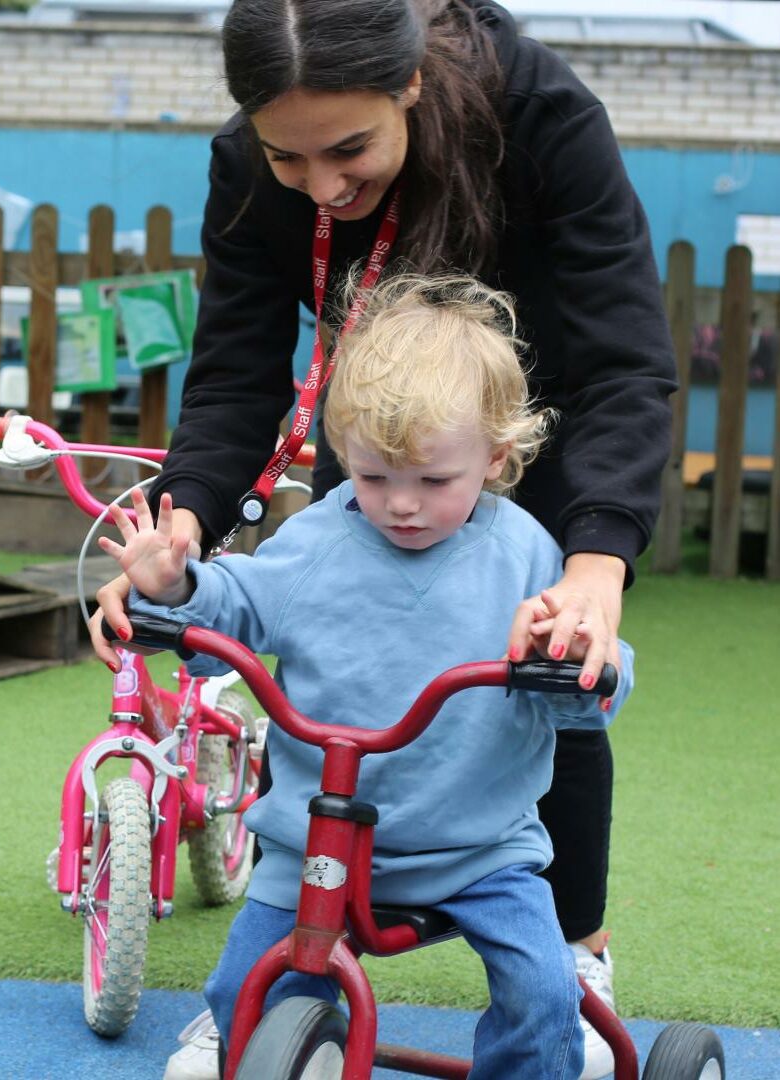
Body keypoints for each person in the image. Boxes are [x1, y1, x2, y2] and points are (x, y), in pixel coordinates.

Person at [89, 3, 676, 1076]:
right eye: (286, 156)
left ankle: (570, 956)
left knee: (542, 674)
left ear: (407, 86)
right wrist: (181, 531)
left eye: (347, 149)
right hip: (382, 421)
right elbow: (234, 364)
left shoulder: (535, 113)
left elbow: (624, 362)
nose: (319, 184)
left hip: (512, 418)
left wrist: (593, 566)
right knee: (353, 639)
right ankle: (271, 991)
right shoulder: (251, 162)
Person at [94, 273, 635, 1080]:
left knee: (543, 993)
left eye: (435, 481)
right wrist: (172, 587)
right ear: (344, 453)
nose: (403, 505)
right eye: (376, 477)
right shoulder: (316, 543)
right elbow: (233, 610)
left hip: (481, 849)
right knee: (243, 988)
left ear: (496, 456)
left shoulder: (524, 554)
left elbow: (597, 675)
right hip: (314, 846)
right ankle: (303, 1041)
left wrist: (574, 661)